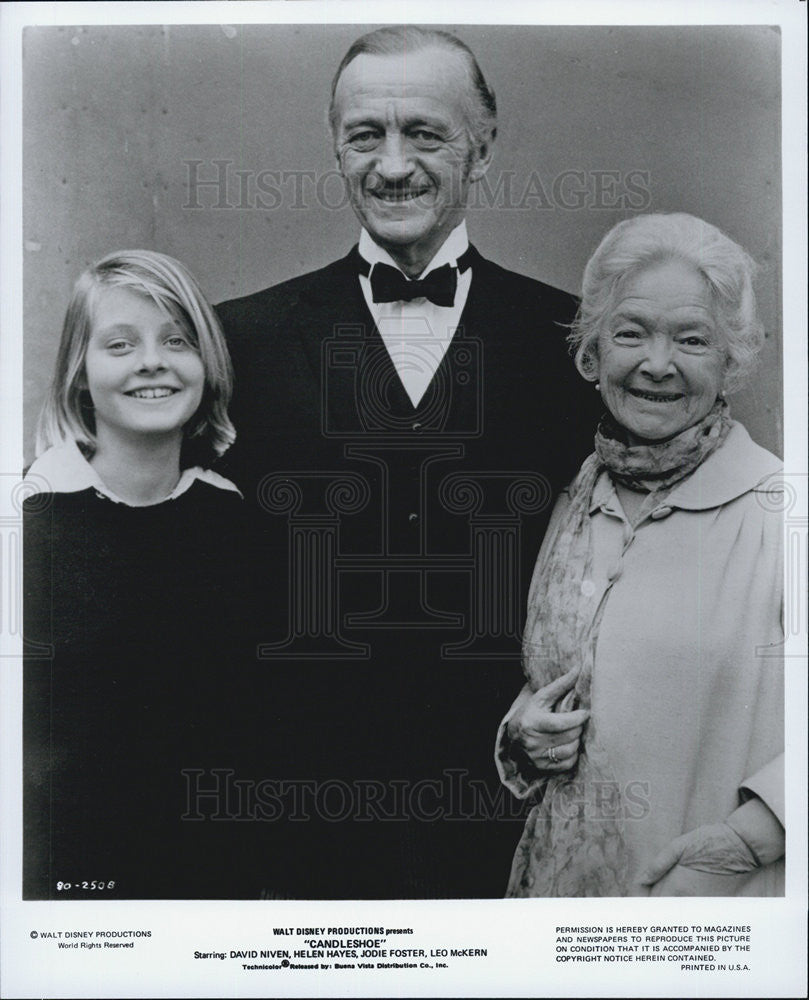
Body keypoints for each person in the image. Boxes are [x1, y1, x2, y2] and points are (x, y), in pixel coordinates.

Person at [214, 26, 601, 898]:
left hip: (512, 810)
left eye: (424, 133)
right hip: (287, 815)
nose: (392, 165)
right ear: (336, 147)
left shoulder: (573, 343)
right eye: (365, 135)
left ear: (482, 148)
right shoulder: (238, 339)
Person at [496, 213, 784, 897]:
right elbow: (569, 678)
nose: (656, 363)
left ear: (731, 362)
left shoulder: (782, 509)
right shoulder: (574, 498)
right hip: (558, 908)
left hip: (709, 912)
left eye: (691, 338)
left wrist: (751, 839)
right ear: (591, 355)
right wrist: (520, 735)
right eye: (630, 333)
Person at [23, 250, 251, 899]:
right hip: (64, 887)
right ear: (78, 374)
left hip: (206, 885)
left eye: (176, 341)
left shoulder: (230, 522)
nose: (152, 360)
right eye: (120, 344)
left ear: (206, 365)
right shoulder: (29, 525)